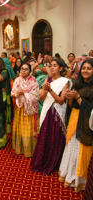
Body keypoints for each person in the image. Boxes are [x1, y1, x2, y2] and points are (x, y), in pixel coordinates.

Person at [59, 59, 93, 193]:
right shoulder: (78, 83)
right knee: (71, 146)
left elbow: (90, 108)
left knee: (81, 148)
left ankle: (80, 179)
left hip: (85, 122)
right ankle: (69, 175)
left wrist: (78, 97)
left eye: (89, 68)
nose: (85, 71)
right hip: (74, 118)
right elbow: (73, 105)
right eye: (83, 68)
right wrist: (71, 97)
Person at [31, 59, 69, 175]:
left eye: (55, 66)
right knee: (45, 136)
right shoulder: (48, 79)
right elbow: (42, 99)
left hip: (57, 114)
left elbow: (61, 101)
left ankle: (54, 162)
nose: (52, 68)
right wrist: (44, 91)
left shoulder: (65, 81)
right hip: (47, 111)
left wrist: (50, 90)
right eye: (50, 66)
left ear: (61, 68)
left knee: (55, 137)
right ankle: (42, 161)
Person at [11, 63, 40, 157]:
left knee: (28, 128)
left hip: (29, 110)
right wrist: (17, 94)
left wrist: (24, 93)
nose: (23, 71)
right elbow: (12, 93)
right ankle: (19, 147)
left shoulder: (34, 82)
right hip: (20, 108)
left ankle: (29, 149)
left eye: (26, 69)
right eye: (22, 69)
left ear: (30, 71)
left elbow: (36, 96)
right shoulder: (17, 80)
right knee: (20, 128)